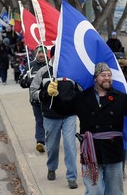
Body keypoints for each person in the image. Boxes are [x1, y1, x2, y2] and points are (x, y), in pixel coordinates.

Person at [47, 62, 127, 195]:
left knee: (115, 191)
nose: (107, 78)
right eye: (103, 75)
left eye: (109, 75)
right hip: (90, 152)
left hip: (113, 151)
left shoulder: (120, 97)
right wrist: (54, 96)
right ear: (95, 78)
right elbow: (63, 109)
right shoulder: (82, 97)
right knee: (94, 191)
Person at [30, 47, 80, 189]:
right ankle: (51, 167)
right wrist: (45, 93)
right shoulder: (43, 72)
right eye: (57, 55)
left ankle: (71, 177)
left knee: (70, 145)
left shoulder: (72, 72)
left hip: (69, 115)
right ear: (51, 56)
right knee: (52, 146)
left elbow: (80, 90)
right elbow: (33, 91)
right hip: (51, 116)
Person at [19, 45, 47, 152]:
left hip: (49, 100)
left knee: (49, 121)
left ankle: (50, 140)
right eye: (39, 53)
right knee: (40, 120)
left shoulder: (51, 65)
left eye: (43, 53)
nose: (41, 55)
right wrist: (29, 82)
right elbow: (21, 81)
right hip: (36, 100)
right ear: (36, 54)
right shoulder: (30, 66)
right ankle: (40, 142)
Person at [117, 58, 127, 179]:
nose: (122, 70)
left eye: (124, 68)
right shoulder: (111, 80)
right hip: (113, 116)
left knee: (126, 144)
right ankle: (116, 167)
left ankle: (121, 166)